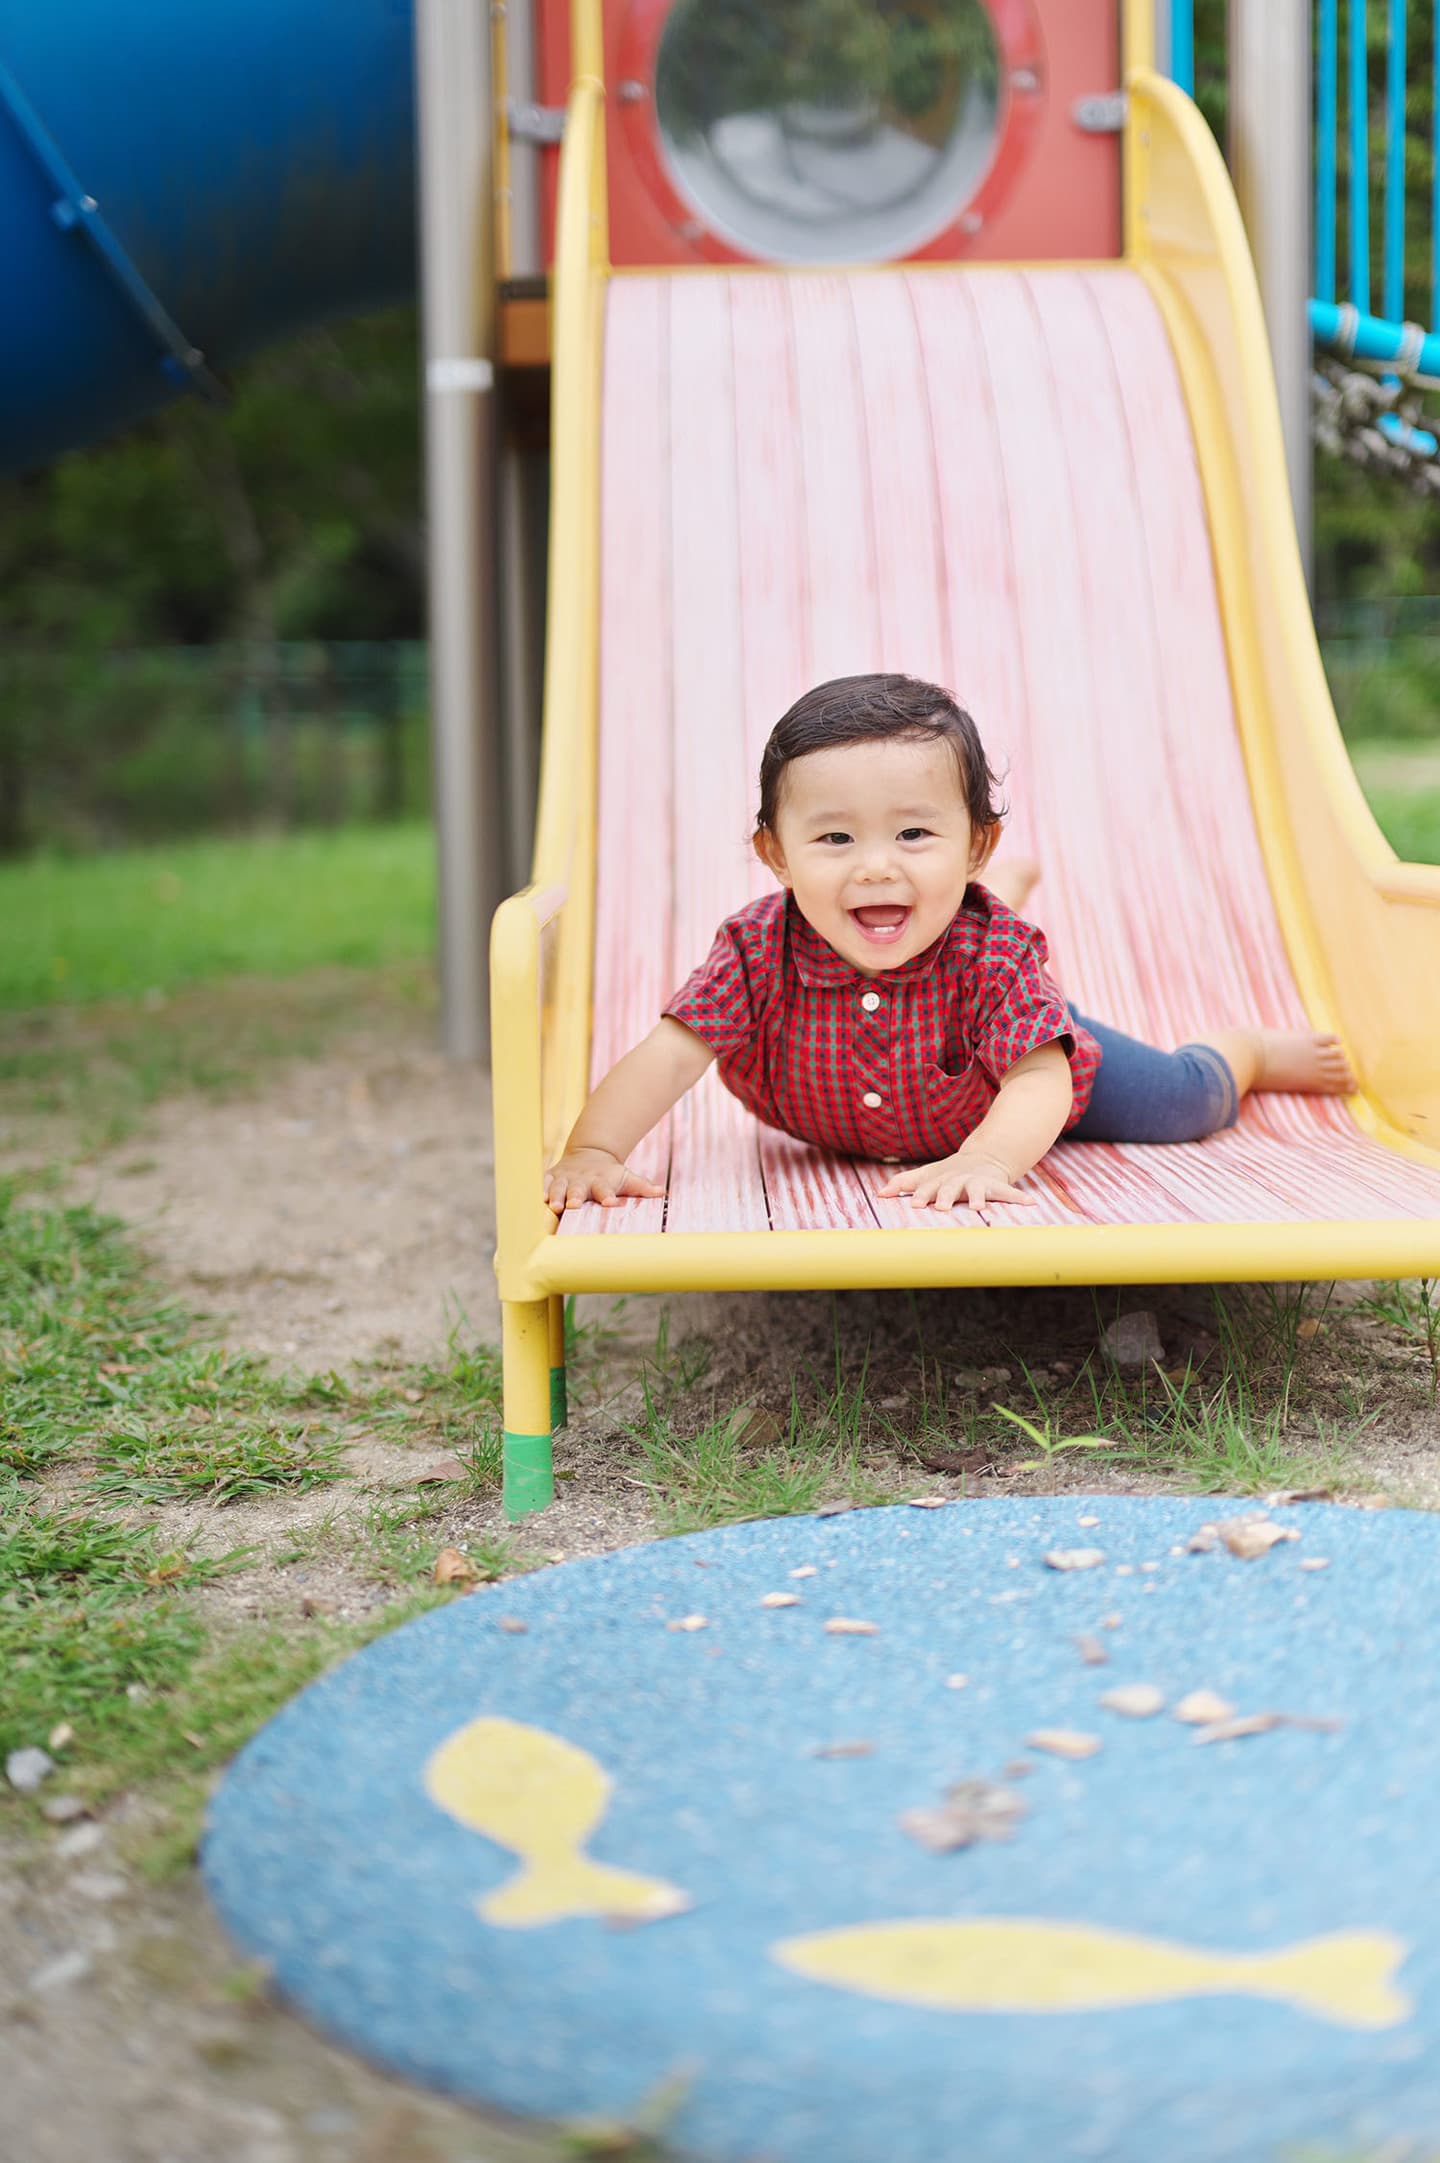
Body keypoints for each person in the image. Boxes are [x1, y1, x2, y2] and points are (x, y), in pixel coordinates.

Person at [543, 674, 1356, 1218]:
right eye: (833, 837)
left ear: (974, 844)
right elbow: (669, 1053)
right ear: (776, 855)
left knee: (1183, 1103)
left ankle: (1244, 1052)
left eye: (914, 833)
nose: (875, 864)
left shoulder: (993, 955)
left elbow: (1040, 1078)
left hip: (1010, 1085)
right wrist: (593, 1148)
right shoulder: (758, 949)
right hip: (841, 1112)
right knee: (932, 914)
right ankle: (998, 878)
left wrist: (991, 1158)